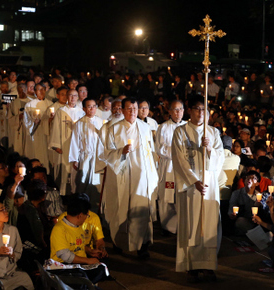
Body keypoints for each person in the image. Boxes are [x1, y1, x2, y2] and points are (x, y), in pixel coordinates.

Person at [172, 96, 224, 282]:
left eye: (204, 109)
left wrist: (209, 148)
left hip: (209, 184)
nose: (200, 113)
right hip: (191, 186)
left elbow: (220, 158)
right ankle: (191, 265)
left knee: (209, 225)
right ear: (190, 111)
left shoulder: (213, 132)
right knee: (191, 224)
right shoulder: (180, 132)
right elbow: (179, 159)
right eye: (197, 109)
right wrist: (194, 181)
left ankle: (208, 265)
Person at [103, 97, 159, 258]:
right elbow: (107, 152)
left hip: (142, 175)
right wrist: (121, 152)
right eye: (129, 109)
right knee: (121, 208)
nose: (133, 112)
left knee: (141, 209)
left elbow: (151, 151)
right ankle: (118, 241)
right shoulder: (114, 129)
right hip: (122, 175)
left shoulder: (144, 127)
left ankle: (142, 245)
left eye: (135, 109)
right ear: (122, 110)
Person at [49, 194, 108, 284]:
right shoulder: (60, 229)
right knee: (96, 272)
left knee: (102, 268)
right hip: (64, 267)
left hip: (78, 265)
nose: (87, 218)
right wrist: (88, 261)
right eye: (86, 215)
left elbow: (78, 245)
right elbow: (65, 255)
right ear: (80, 215)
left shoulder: (77, 227)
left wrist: (90, 251)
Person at [155, 99, 187, 235]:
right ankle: (167, 226)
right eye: (175, 109)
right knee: (167, 196)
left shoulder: (188, 127)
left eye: (180, 109)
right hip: (168, 166)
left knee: (182, 196)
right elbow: (159, 148)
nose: (178, 112)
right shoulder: (163, 127)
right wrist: (177, 151)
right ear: (169, 111)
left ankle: (182, 225)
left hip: (184, 167)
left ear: (184, 111)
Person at [69, 97, 103, 204]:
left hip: (98, 156)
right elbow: (74, 141)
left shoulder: (101, 122)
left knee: (96, 182)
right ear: (84, 109)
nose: (92, 109)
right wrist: (75, 159)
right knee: (83, 180)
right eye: (89, 106)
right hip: (85, 156)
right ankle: (82, 203)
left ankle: (95, 204)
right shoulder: (79, 123)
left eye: (94, 106)